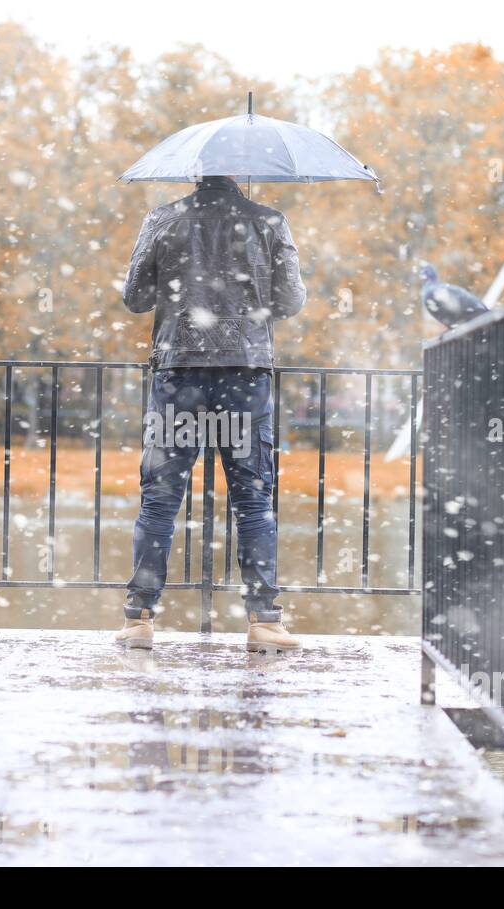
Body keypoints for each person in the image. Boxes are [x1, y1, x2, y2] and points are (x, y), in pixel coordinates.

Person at [115, 174, 306, 653]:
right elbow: (291, 301)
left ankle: (139, 617)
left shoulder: (162, 219)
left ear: (195, 172)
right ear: (242, 174)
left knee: (160, 499)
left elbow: (134, 298)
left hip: (179, 373)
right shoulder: (269, 222)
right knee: (253, 500)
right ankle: (264, 620)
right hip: (245, 373)